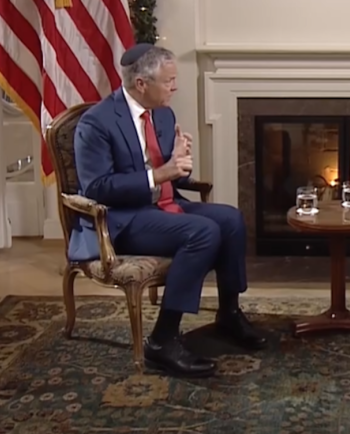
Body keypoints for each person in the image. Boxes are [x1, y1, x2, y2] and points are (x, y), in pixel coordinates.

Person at [71, 44, 268, 378]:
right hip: (123, 219)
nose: (175, 87)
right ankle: (162, 339)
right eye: (169, 81)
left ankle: (229, 314)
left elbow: (172, 175)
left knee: (231, 219)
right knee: (203, 232)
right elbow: (97, 188)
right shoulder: (96, 123)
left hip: (163, 205)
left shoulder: (163, 113)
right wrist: (161, 173)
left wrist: (179, 162)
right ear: (141, 84)